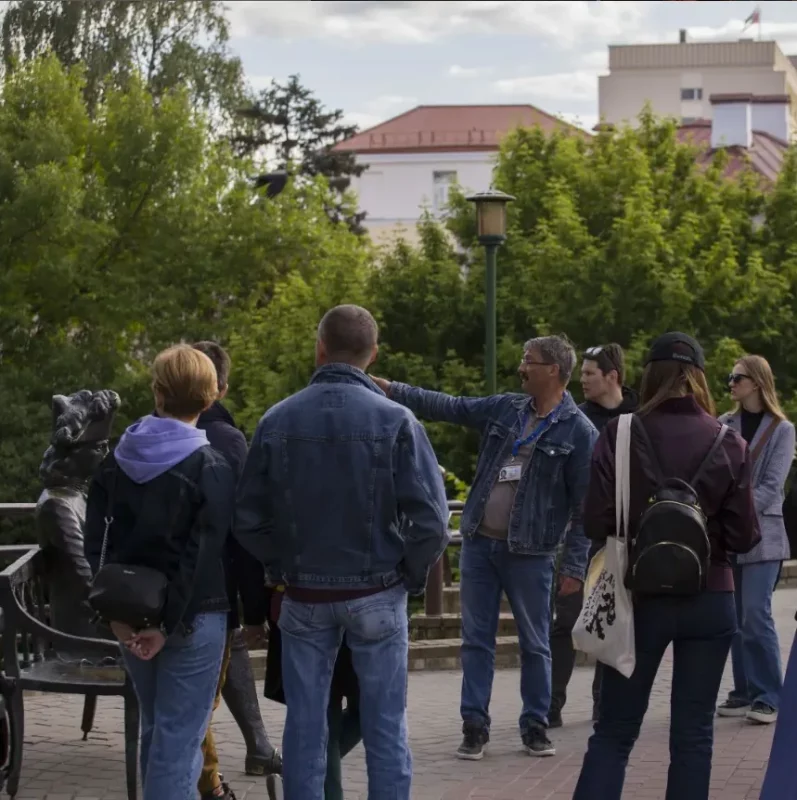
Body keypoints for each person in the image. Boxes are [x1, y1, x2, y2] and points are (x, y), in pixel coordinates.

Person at [234, 304, 449, 800]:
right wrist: (407, 576)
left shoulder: (277, 419)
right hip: (376, 589)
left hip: (305, 593)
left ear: (320, 348)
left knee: (306, 728)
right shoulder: (397, 419)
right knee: (385, 727)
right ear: (373, 355)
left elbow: (246, 518)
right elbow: (432, 522)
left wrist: (282, 564)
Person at [372, 334, 597, 760]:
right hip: (479, 544)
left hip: (531, 554)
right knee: (476, 640)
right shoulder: (507, 408)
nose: (521, 367)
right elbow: (451, 406)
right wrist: (391, 389)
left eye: (528, 361)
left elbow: (586, 508)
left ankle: (535, 726)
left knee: (535, 642)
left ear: (553, 370)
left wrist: (575, 567)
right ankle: (474, 726)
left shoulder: (579, 431)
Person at [573, 332, 760, 800]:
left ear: (649, 374)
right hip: (710, 596)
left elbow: (594, 519)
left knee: (614, 732)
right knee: (694, 735)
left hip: (637, 599)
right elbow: (744, 536)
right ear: (697, 376)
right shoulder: (728, 441)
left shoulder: (619, 433)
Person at [85, 345, 234, 800]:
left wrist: (118, 619)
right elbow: (201, 555)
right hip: (195, 618)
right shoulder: (210, 465)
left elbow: (95, 546)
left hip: (129, 616)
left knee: (157, 732)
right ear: (209, 400)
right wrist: (167, 626)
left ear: (157, 391)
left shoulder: (114, 461)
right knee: (178, 741)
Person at [191, 341, 281, 800]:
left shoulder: (139, 437)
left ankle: (255, 748)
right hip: (210, 589)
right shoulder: (225, 439)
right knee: (196, 696)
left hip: (152, 596)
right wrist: (255, 607)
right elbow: (244, 527)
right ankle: (209, 780)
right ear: (220, 386)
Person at [549, 343, 638, 729]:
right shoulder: (575, 419)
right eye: (581, 372)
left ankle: (604, 704)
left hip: (624, 535)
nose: (581, 379)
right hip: (580, 537)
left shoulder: (641, 418)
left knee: (613, 620)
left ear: (612, 377)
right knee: (564, 621)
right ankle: (549, 705)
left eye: (589, 374)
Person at [716, 355, 795, 725]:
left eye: (737, 378)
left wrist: (735, 513)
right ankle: (743, 690)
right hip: (728, 536)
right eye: (730, 378)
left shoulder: (781, 429)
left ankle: (769, 695)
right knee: (733, 617)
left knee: (755, 613)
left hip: (763, 536)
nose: (730, 384)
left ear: (757, 383)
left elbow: (771, 487)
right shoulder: (722, 425)